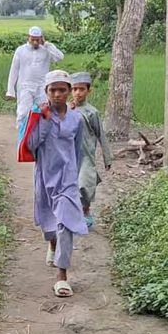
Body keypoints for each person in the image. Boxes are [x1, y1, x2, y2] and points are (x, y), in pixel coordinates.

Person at [25, 70, 88, 298]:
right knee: (49, 220)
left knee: (65, 223)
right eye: (53, 90)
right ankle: (52, 245)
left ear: (69, 91)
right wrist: (44, 120)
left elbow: (78, 149)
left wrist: (75, 176)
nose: (58, 94)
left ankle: (62, 277)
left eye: (62, 90)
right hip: (44, 175)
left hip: (68, 179)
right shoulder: (38, 116)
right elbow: (31, 146)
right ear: (46, 92)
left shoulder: (76, 119)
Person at [69, 72, 112, 229]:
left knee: (84, 184)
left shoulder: (92, 112)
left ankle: (86, 211)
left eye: (81, 89)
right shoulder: (66, 110)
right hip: (70, 156)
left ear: (89, 91)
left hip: (86, 155)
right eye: (74, 89)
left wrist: (108, 158)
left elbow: (101, 134)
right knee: (70, 186)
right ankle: (73, 215)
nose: (78, 93)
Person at [6, 26, 64, 132]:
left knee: (44, 112)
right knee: (23, 113)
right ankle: (22, 137)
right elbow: (14, 70)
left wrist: (46, 44)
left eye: (37, 39)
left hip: (42, 87)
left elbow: (60, 57)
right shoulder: (21, 50)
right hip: (25, 86)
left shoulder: (46, 50)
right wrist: (10, 90)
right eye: (33, 39)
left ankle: (41, 137)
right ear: (28, 37)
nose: (35, 42)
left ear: (41, 38)